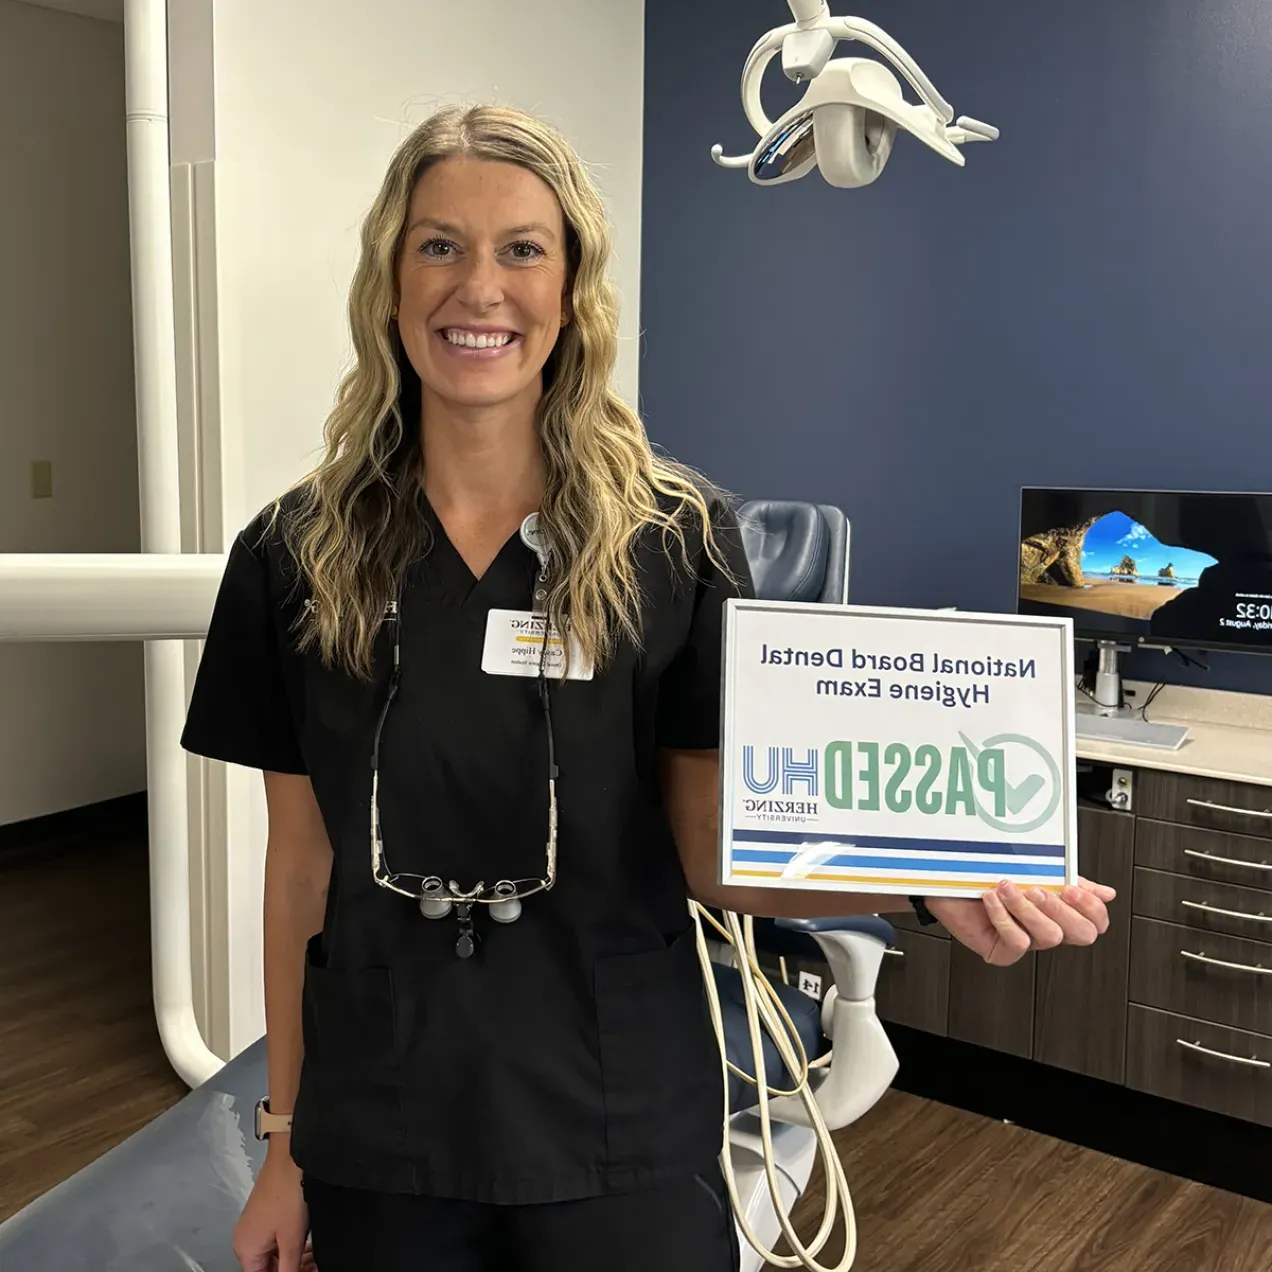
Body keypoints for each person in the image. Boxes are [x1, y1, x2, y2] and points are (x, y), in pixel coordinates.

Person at [180, 104, 1115, 1272]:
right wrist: (284, 1143)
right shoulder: (292, 554)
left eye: (523, 248)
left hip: (613, 1112)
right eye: (440, 245)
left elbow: (710, 852)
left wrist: (925, 882)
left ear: (572, 289)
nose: (481, 287)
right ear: (389, 278)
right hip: (384, 1118)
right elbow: (301, 866)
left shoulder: (673, 537)